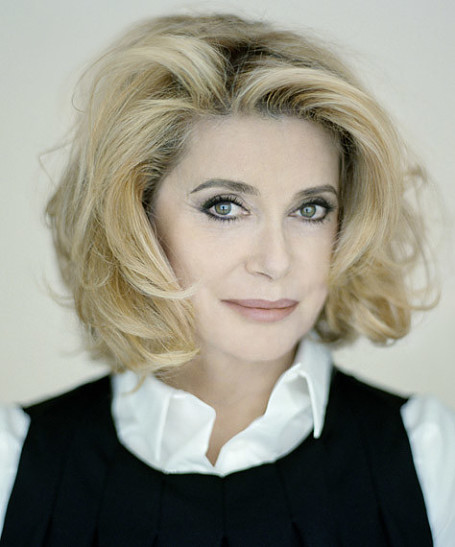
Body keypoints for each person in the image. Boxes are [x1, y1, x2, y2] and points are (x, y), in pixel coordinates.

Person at [0, 13, 454, 546]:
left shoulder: (430, 455)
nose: (276, 261)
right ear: (135, 220)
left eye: (310, 209)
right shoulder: (13, 462)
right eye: (224, 206)